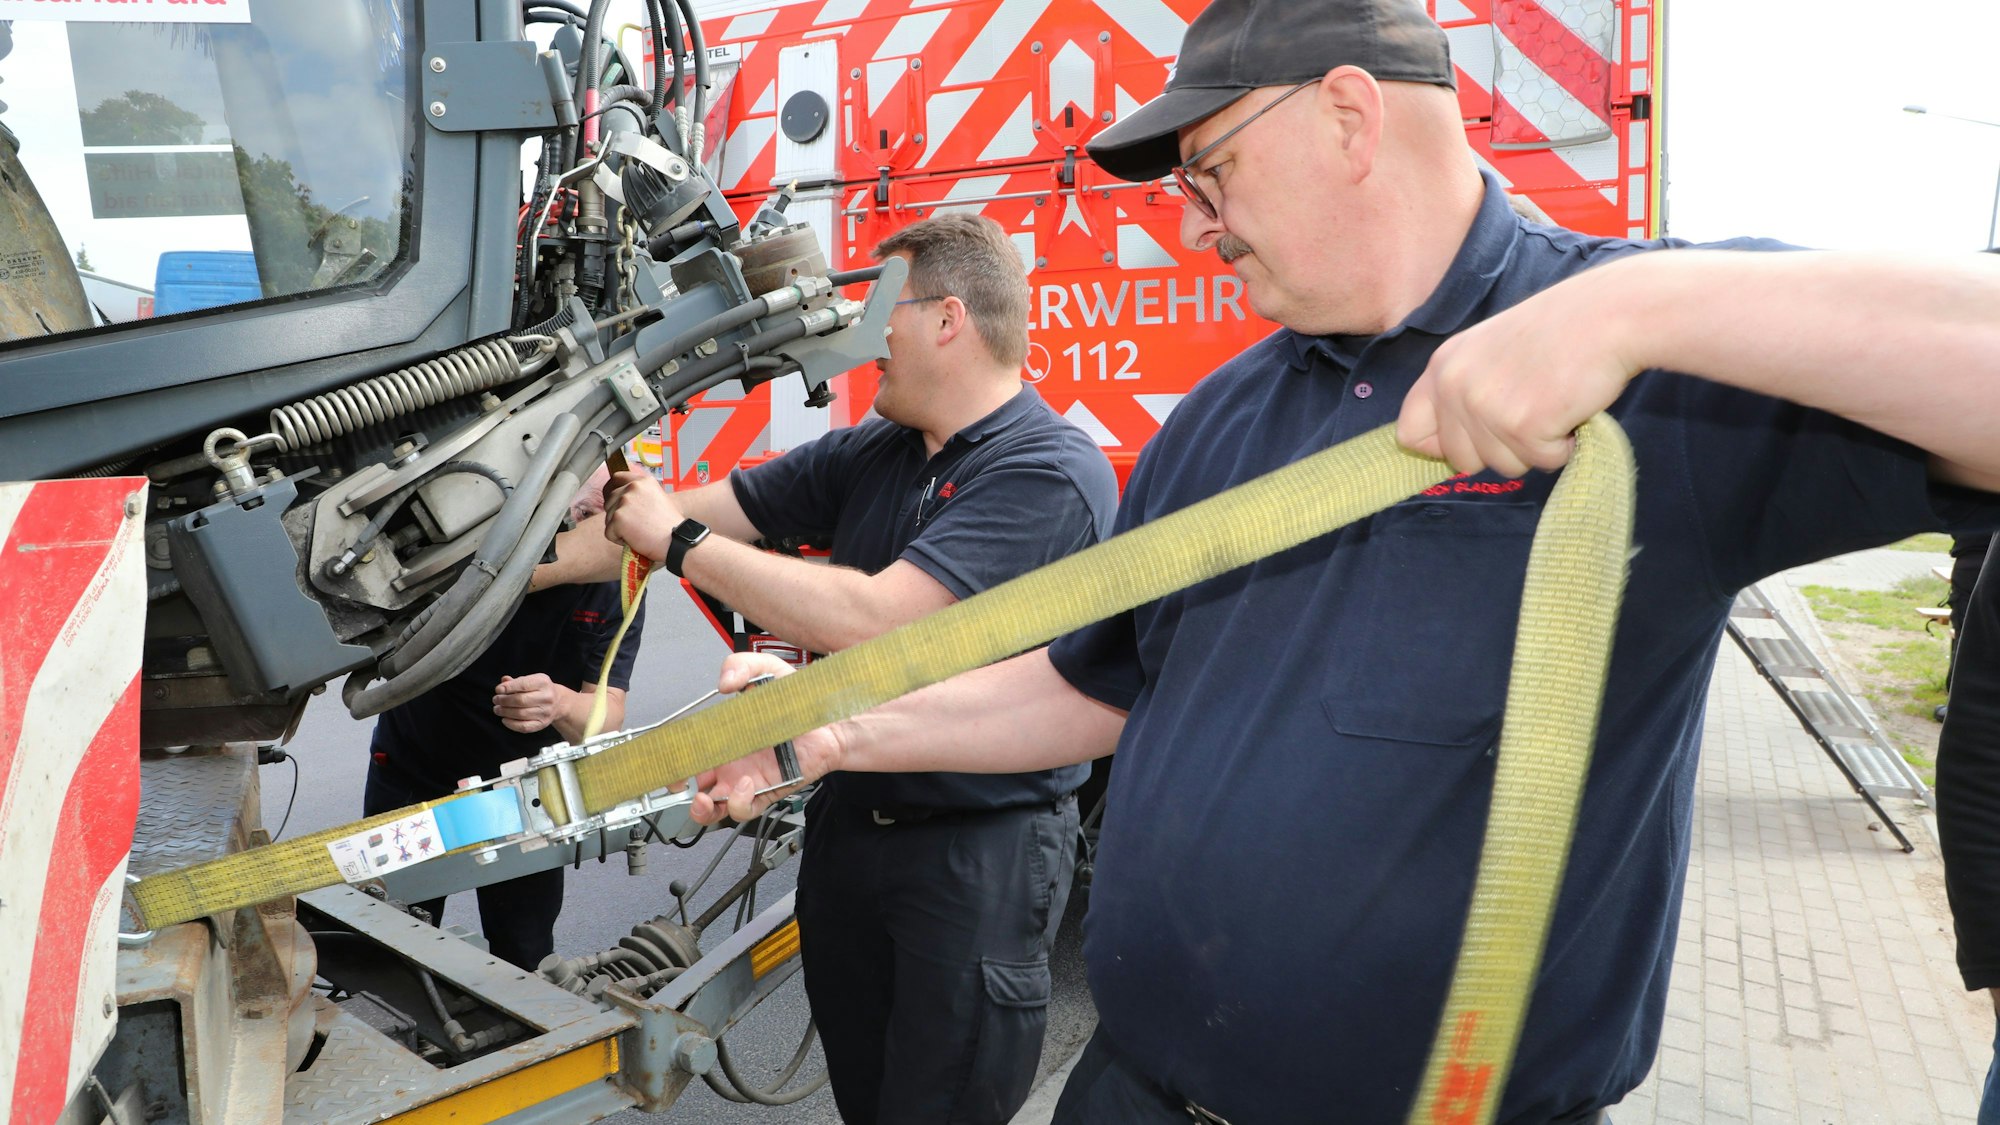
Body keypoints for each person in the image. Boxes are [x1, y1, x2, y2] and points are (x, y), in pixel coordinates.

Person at [677, 1, 2000, 1122]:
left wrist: (1639, 305)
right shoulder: (1224, 416)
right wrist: (825, 734)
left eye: (1213, 174)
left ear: (1351, 117)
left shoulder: (1644, 371)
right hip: (1131, 1086)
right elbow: (1099, 687)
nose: (1195, 226)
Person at [584, 214, 1118, 1123]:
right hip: (849, 829)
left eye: (881, 310)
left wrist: (674, 540)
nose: (863, 336)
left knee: (939, 1105)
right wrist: (529, 544)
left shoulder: (1049, 471)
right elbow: (704, 511)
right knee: (869, 1101)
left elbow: (885, 622)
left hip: (973, 856)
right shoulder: (878, 448)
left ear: (949, 318)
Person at [363, 476, 645, 971]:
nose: (594, 534)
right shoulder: (480, 547)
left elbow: (607, 713)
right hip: (415, 772)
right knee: (392, 943)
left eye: (607, 522)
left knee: (523, 953)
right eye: (580, 517)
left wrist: (559, 704)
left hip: (521, 796)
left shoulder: (619, 588)